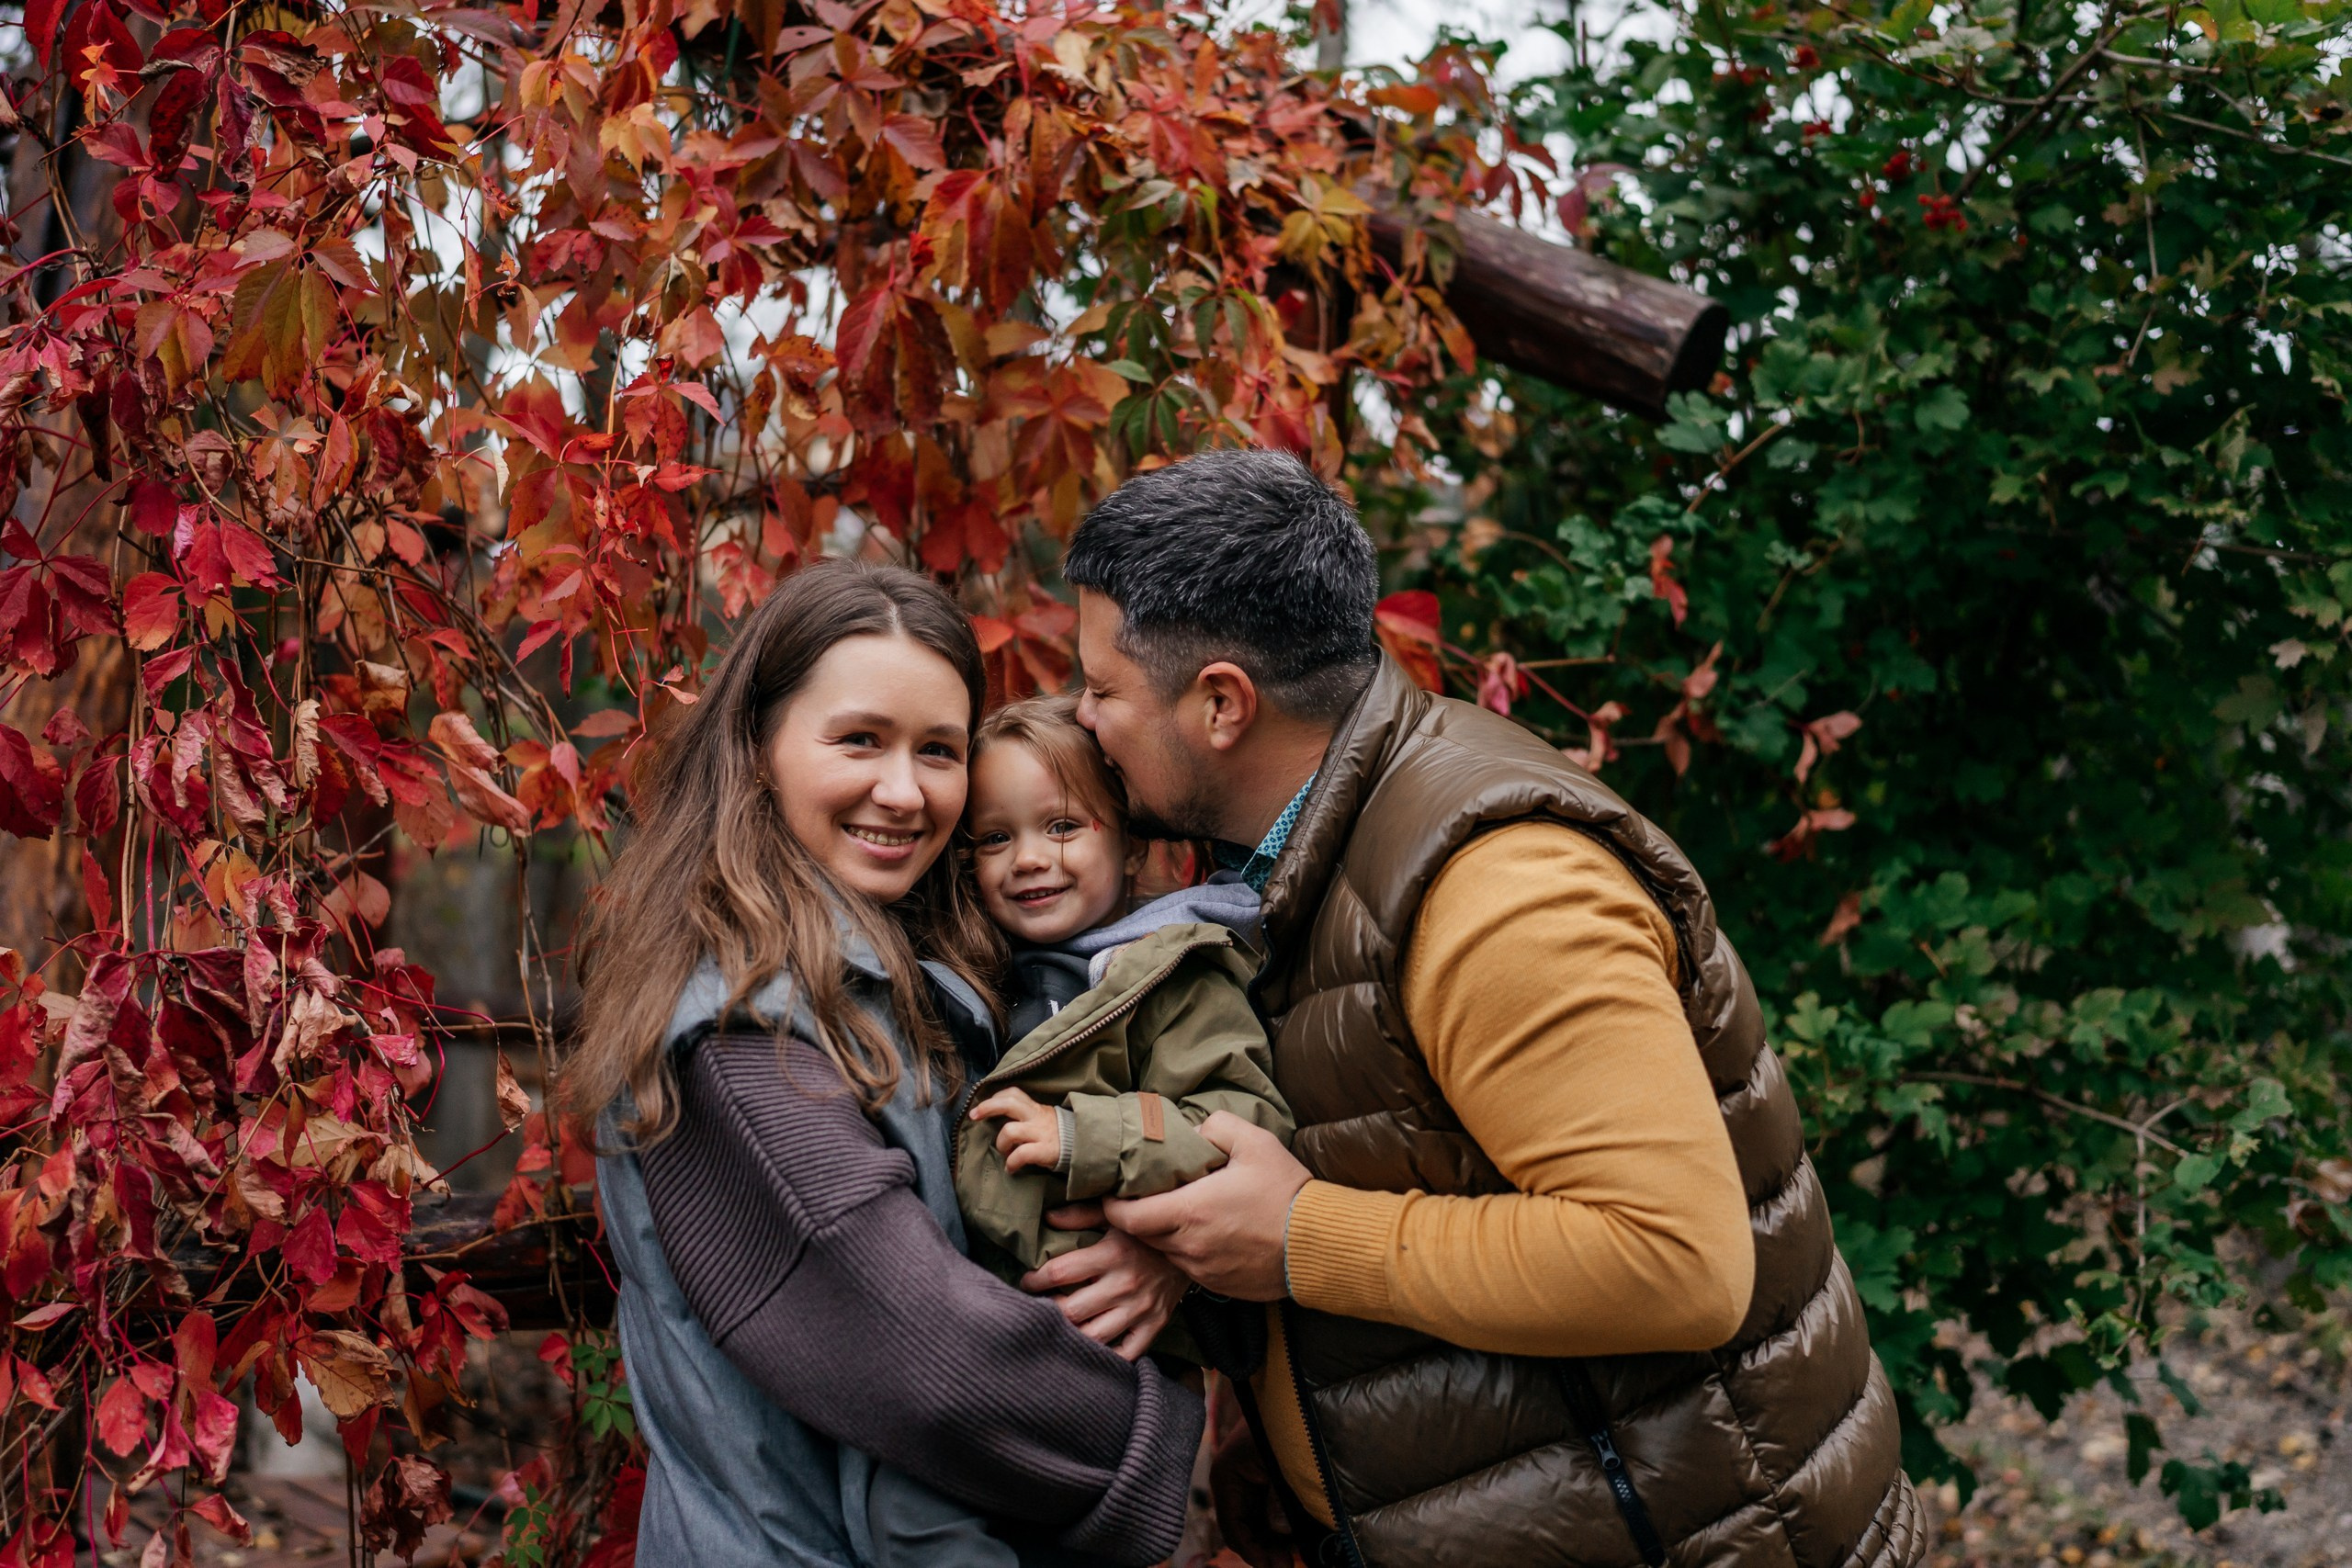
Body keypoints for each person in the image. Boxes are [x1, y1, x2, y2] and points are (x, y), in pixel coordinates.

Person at [1063, 449, 1926, 1568]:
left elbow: (1675, 1261)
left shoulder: (1496, 892)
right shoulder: (1292, 855)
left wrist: (1300, 1239)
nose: (1080, 718)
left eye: (1100, 687)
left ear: (1221, 702)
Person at [562, 562, 1202, 1568]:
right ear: (758, 749)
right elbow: (930, 1358)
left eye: (938, 752)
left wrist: (1153, 1251)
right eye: (860, 739)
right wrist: (1174, 1446)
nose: (903, 793)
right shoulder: (738, 1035)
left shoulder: (906, 976)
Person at [953, 694, 1292, 1304]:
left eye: (1062, 826)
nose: (1028, 859)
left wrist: (1085, 1135)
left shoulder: (1174, 973)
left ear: (1133, 845)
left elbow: (1235, 1119)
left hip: (1120, 1328)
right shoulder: (974, 971)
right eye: (996, 837)